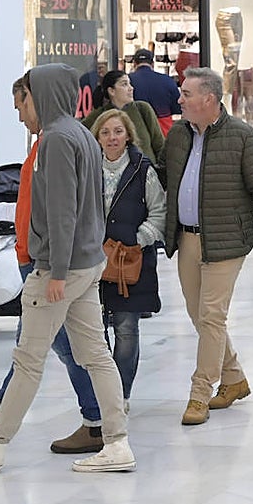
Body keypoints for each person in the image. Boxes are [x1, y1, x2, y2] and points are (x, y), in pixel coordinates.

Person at [0, 64, 134, 473]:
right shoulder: (79, 133)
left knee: (29, 359)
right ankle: (116, 443)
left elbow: (62, 212)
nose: (21, 112)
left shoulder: (57, 139)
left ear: (41, 95)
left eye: (23, 101)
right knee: (96, 355)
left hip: (62, 269)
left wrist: (56, 271)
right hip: (85, 264)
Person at [163, 67, 253, 426]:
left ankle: (200, 392)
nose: (179, 99)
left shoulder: (243, 136)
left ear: (208, 99)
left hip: (226, 240)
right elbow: (161, 176)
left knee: (211, 315)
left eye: (186, 94)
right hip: (187, 237)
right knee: (198, 315)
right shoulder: (178, 135)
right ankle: (234, 378)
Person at [91, 109, 166, 411]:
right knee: (95, 334)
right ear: (97, 137)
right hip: (94, 263)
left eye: (118, 131)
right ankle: (102, 394)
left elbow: (159, 212)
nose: (112, 138)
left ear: (128, 135)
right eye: (105, 132)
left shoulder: (143, 170)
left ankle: (121, 395)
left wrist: (138, 239)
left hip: (130, 264)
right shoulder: (87, 169)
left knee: (126, 330)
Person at [81, 70, 164, 164]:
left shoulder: (143, 109)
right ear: (111, 91)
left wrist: (159, 168)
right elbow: (80, 134)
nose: (131, 88)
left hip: (146, 170)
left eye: (130, 84)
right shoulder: (99, 115)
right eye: (124, 84)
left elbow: (159, 144)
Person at [129, 48, 181, 136]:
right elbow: (177, 109)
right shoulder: (167, 80)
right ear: (152, 64)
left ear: (134, 64)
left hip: (137, 131)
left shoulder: (127, 81)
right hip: (162, 131)